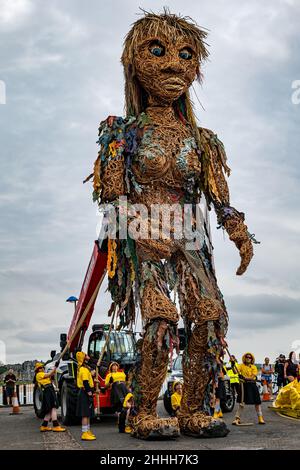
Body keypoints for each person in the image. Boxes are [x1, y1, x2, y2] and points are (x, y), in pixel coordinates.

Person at [86, 8, 256, 440]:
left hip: (191, 238)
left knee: (210, 317)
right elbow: (110, 196)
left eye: (185, 55)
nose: (172, 65)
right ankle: (143, 412)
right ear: (135, 63)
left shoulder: (203, 141)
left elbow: (220, 199)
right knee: (161, 322)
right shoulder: (123, 134)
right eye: (157, 51)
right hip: (144, 239)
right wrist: (136, 228)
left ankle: (193, 409)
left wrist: (238, 233)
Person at [232, 352, 265, 425]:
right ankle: (237, 419)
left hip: (252, 385)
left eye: (250, 357)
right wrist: (232, 364)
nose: (248, 358)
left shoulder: (254, 367)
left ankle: (260, 418)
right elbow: (235, 371)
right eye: (247, 357)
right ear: (244, 358)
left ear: (252, 359)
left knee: (257, 402)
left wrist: (244, 377)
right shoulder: (241, 365)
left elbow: (252, 377)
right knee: (241, 402)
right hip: (243, 385)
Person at [34, 362, 65, 432]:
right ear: (39, 369)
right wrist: (55, 367)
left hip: (49, 390)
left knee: (49, 410)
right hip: (48, 391)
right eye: (42, 367)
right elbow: (49, 374)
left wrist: (54, 369)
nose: (43, 368)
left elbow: (52, 375)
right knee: (53, 408)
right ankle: (56, 426)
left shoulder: (41, 374)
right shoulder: (39, 374)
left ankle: (44, 426)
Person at [76, 351, 96, 441]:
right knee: (85, 414)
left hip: (86, 392)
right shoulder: (83, 369)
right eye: (86, 355)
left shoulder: (85, 368)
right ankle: (84, 433)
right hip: (85, 392)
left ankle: (88, 431)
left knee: (87, 414)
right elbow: (85, 382)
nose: (88, 356)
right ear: (83, 358)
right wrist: (89, 392)